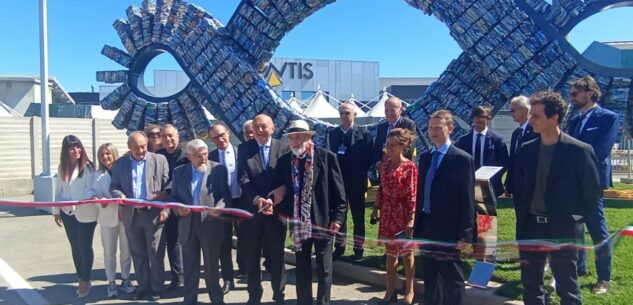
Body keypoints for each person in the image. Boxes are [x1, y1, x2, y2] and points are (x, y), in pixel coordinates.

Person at [513, 90, 601, 305]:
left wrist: (574, 220)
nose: (530, 120)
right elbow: (520, 187)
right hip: (531, 226)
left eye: (536, 116)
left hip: (562, 228)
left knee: (567, 286)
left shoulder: (579, 151)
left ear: (554, 118)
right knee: (531, 286)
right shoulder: (527, 149)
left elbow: (591, 193)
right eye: (530, 115)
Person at [269, 119, 347, 305]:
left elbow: (339, 192)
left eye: (297, 138)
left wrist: (337, 217)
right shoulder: (284, 161)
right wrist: (277, 194)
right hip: (298, 224)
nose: (294, 142)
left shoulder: (326, 157)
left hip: (323, 220)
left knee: (324, 267)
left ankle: (323, 302)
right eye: (291, 138)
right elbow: (280, 187)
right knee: (302, 267)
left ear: (307, 137)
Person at [413, 110, 475, 305]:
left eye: (438, 128)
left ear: (450, 129)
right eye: (430, 128)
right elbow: (422, 193)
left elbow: (467, 200)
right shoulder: (425, 158)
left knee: (452, 278)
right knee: (430, 278)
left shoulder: (461, 159)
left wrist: (465, 235)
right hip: (427, 225)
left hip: (449, 228)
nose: (433, 132)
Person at [566, 76, 619, 294]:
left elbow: (601, 150)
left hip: (592, 182)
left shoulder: (608, 117)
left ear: (589, 92)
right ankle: (579, 269)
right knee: (574, 228)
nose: (571, 98)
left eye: (574, 93)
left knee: (597, 229)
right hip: (572, 183)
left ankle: (603, 278)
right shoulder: (574, 121)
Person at [168, 139, 231, 305]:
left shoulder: (218, 169)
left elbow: (225, 195)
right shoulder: (179, 172)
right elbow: (173, 197)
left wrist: (219, 208)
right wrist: (177, 209)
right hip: (187, 223)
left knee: (211, 266)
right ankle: (189, 300)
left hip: (209, 222)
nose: (203, 158)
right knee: (190, 266)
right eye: (198, 156)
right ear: (189, 157)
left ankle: (216, 299)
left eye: (205, 154)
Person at [110, 131, 170, 301]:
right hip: (131, 215)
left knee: (155, 254)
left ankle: (158, 288)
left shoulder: (159, 160)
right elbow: (114, 185)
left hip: (153, 214)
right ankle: (143, 287)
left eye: (144, 146)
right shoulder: (120, 164)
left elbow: (169, 186)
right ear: (129, 148)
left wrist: (165, 207)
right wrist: (118, 194)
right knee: (138, 254)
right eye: (137, 148)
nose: (142, 150)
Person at [237, 114, 290, 305]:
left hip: (277, 211)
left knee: (277, 256)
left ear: (273, 128)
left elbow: (288, 178)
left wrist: (277, 195)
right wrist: (257, 199)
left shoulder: (284, 148)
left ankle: (279, 295)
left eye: (264, 126)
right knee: (252, 256)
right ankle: (254, 296)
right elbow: (242, 178)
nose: (260, 130)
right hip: (253, 212)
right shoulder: (244, 148)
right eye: (256, 127)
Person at [370, 128, 418, 305]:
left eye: (392, 145)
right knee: (390, 255)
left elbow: (412, 194)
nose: (388, 148)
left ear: (403, 145)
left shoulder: (409, 167)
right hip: (387, 214)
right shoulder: (384, 165)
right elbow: (381, 188)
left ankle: (410, 291)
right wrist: (376, 207)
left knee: (407, 254)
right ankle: (390, 291)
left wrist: (411, 217)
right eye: (387, 145)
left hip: (403, 214)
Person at [327, 101, 374, 261]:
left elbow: (369, 156)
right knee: (340, 215)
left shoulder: (364, 133)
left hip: (356, 181)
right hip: (338, 182)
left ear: (355, 115)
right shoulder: (332, 134)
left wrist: (360, 171)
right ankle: (339, 246)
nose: (344, 116)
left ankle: (358, 248)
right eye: (341, 113)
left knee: (358, 215)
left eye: (347, 113)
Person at [52, 135, 97, 299]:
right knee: (75, 246)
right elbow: (59, 191)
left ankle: (86, 280)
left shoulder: (88, 167)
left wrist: (92, 198)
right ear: (66, 151)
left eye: (78, 147)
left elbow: (91, 189)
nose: (76, 150)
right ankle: (80, 276)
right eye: (72, 148)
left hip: (86, 212)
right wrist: (56, 211)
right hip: (67, 212)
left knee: (84, 247)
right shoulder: (61, 167)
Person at [88, 143, 135, 298]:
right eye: (102, 155)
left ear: (114, 154)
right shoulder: (97, 175)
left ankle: (126, 279)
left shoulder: (124, 170)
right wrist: (96, 199)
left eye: (108, 153)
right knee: (109, 252)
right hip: (107, 217)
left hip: (125, 216)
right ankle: (111, 282)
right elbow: (91, 191)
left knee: (126, 250)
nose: (105, 157)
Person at [208, 123, 241, 293]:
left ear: (228, 133)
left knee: (248, 241)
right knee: (224, 244)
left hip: (242, 202)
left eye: (222, 135)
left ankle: (248, 274)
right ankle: (228, 279)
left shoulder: (241, 152)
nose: (220, 139)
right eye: (215, 137)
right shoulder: (210, 157)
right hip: (222, 205)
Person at [155, 124, 188, 290]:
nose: (168, 139)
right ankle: (178, 277)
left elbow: (179, 178)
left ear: (178, 136)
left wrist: (165, 191)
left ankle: (188, 275)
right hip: (164, 204)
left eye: (171, 136)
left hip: (183, 203)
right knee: (172, 241)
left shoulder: (185, 154)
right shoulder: (158, 154)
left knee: (187, 242)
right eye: (165, 136)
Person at [455, 105, 509, 197]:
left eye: (483, 117)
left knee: (488, 211)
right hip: (468, 184)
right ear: (472, 118)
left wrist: (492, 179)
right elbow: (458, 162)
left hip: (491, 185)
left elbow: (504, 163)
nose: (480, 120)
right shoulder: (462, 141)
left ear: (488, 119)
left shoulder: (497, 140)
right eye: (477, 116)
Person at [505, 96, 538, 196]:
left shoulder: (536, 130)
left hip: (532, 185)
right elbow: (513, 160)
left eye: (513, 110)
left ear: (524, 111)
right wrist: (508, 184)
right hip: (518, 185)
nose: (511, 114)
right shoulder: (516, 133)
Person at [373, 96, 417, 164]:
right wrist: (378, 163)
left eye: (392, 110)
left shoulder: (409, 125)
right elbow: (377, 148)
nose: (389, 113)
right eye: (386, 110)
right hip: (384, 168)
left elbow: (410, 149)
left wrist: (391, 158)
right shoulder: (382, 126)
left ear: (401, 110)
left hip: (402, 166)